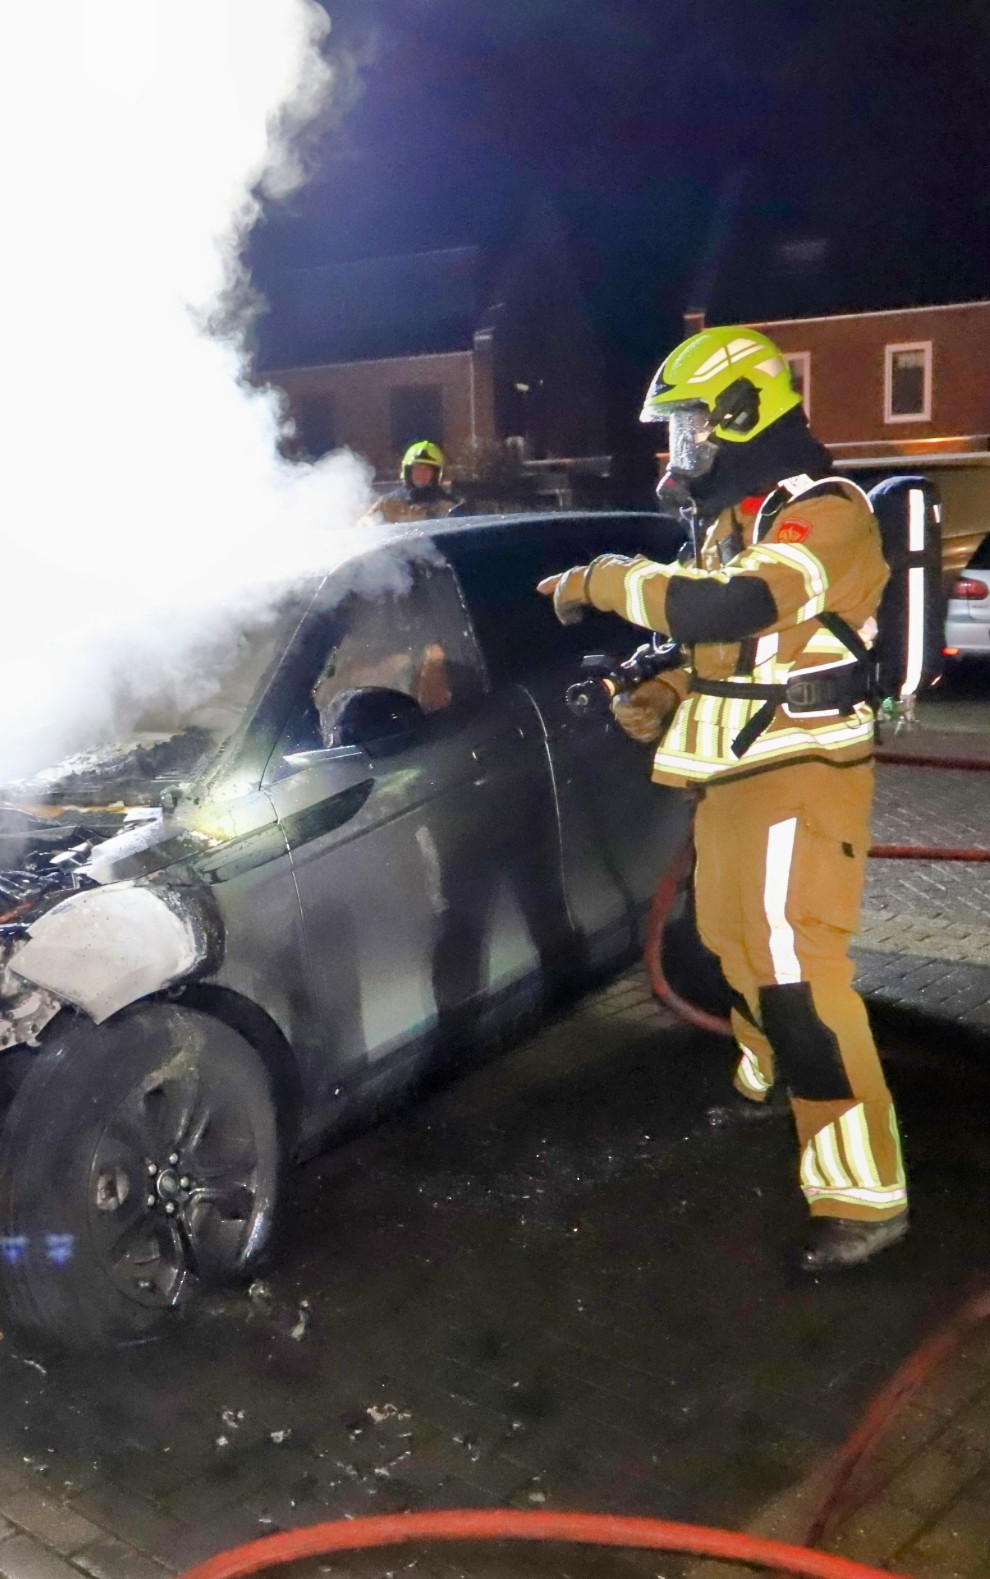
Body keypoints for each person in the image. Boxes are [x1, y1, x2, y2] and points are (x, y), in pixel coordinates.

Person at [535, 326, 907, 1273]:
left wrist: (603, 581)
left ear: (743, 416)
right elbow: (724, 657)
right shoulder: (735, 520)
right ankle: (779, 1077)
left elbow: (726, 610)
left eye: (691, 429)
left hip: (803, 781)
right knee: (732, 944)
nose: (677, 451)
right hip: (740, 777)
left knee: (796, 971)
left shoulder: (824, 511)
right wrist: (659, 697)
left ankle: (864, 1194)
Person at [363, 439, 462, 523]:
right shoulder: (387, 503)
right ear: (408, 472)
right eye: (417, 468)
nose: (421, 474)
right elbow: (363, 529)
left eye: (427, 470)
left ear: (436, 474)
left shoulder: (450, 505)